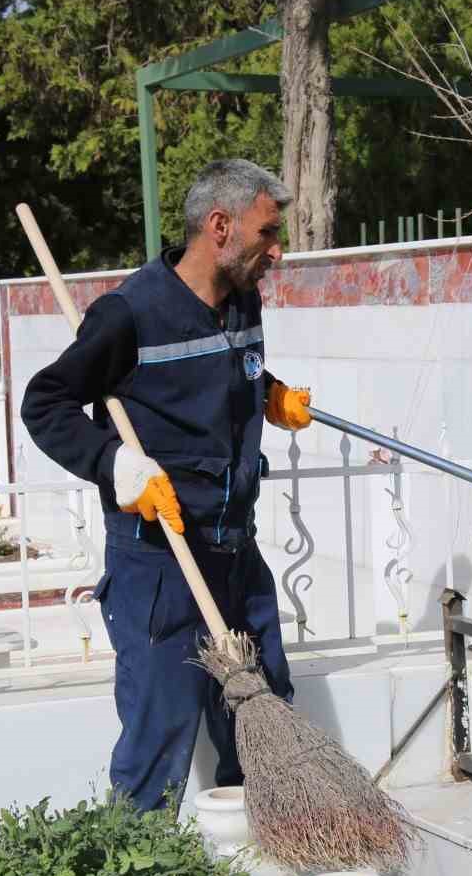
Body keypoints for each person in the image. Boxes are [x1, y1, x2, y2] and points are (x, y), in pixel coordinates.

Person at [21, 159, 310, 807]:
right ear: (220, 227)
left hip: (235, 554)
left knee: (262, 720)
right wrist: (118, 467)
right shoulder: (129, 315)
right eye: (267, 233)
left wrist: (268, 393)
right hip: (159, 564)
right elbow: (45, 405)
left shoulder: (242, 300)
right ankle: (142, 867)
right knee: (160, 741)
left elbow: (222, 373)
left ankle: (261, 858)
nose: (278, 251)